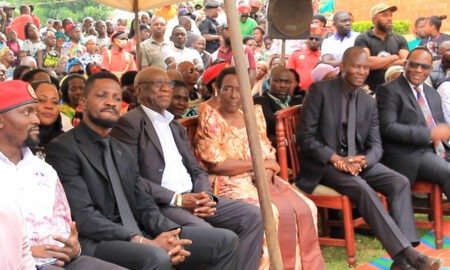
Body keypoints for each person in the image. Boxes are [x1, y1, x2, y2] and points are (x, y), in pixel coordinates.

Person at [45, 71, 239, 270]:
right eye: (102, 96)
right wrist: (139, 240)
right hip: (98, 241)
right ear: (83, 103)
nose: (111, 102)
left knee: (225, 240)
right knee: (156, 257)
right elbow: (84, 217)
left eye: (116, 98)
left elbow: (144, 202)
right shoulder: (64, 149)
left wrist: (169, 234)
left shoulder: (120, 150)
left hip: (140, 232)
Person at [298, 46, 443, 270]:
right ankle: (410, 256)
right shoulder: (320, 91)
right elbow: (305, 138)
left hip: (357, 162)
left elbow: (376, 144)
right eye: (356, 66)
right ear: (344, 66)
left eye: (365, 67)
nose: (361, 72)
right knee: (361, 187)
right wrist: (336, 158)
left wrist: (365, 161)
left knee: (399, 181)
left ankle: (404, 257)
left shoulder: (368, 100)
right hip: (324, 164)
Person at [111, 67, 263, 270]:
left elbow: (196, 169)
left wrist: (205, 195)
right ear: (139, 91)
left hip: (194, 196)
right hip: (163, 204)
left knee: (253, 215)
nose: (166, 89)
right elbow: (131, 177)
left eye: (168, 84)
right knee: (211, 235)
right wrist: (178, 199)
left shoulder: (174, 125)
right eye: (158, 84)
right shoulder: (129, 124)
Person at [195, 66, 325, 270]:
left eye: (240, 89)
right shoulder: (211, 116)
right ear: (217, 90)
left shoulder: (254, 114)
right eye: (228, 88)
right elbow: (217, 164)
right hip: (228, 182)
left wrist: (265, 172)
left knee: (307, 206)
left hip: (262, 176)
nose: (234, 95)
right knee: (269, 212)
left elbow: (268, 153)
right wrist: (258, 165)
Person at [0, 80, 125, 270]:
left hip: (62, 260)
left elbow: (63, 221)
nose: (36, 119)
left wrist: (72, 246)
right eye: (27, 112)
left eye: (35, 111)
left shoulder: (44, 170)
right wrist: (30, 251)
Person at [377, 47, 450, 205]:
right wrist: (429, 134)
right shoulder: (388, 90)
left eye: (424, 67)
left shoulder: (432, 93)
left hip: (437, 151)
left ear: (431, 69)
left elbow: (441, 128)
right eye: (414, 65)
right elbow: (388, 127)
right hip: (410, 154)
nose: (418, 70)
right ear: (405, 64)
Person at [354, 3, 409, 92]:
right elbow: (366, 63)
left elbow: (406, 62)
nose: (389, 19)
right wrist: (394, 57)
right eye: (385, 15)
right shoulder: (363, 38)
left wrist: (378, 63)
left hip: (396, 89)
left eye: (390, 15)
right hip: (371, 90)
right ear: (375, 19)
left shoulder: (399, 39)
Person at [254, 65, 303, 146]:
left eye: (287, 82)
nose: (283, 85)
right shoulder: (260, 101)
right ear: (269, 82)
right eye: (278, 81)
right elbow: (273, 124)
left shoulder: (298, 100)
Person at [287, 25, 322, 91]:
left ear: (321, 41)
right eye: (311, 38)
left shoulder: (323, 57)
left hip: (318, 92)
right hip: (298, 92)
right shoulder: (296, 54)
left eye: (317, 39)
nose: (314, 41)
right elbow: (289, 74)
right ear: (307, 39)